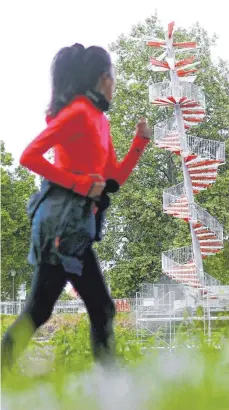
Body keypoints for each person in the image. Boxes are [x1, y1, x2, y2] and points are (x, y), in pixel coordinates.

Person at [1, 43, 151, 373]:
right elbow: (29, 155)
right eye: (113, 77)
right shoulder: (80, 112)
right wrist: (79, 183)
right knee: (100, 308)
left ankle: (105, 386)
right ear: (102, 79)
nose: (115, 84)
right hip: (61, 228)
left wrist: (139, 144)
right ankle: (110, 387)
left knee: (42, 311)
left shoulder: (100, 121)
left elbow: (112, 180)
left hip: (77, 228)